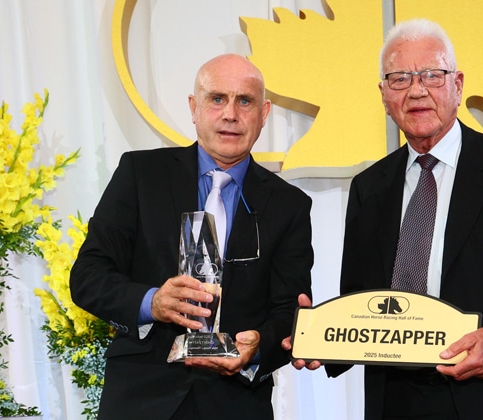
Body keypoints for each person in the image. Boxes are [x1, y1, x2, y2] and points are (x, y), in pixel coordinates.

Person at [285, 19, 483, 419]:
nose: (417, 90)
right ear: (384, 95)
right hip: (397, 401)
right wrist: (319, 339)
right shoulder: (369, 188)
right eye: (400, 78)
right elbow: (362, 301)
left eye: (432, 75)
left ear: (457, 85)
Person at [70, 54, 313, 420]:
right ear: (193, 108)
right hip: (141, 399)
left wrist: (259, 346)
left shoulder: (289, 205)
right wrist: (152, 302)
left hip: (236, 403)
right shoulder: (140, 175)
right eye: (217, 98)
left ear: (263, 114)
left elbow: (288, 310)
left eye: (244, 101)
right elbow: (87, 276)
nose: (230, 114)